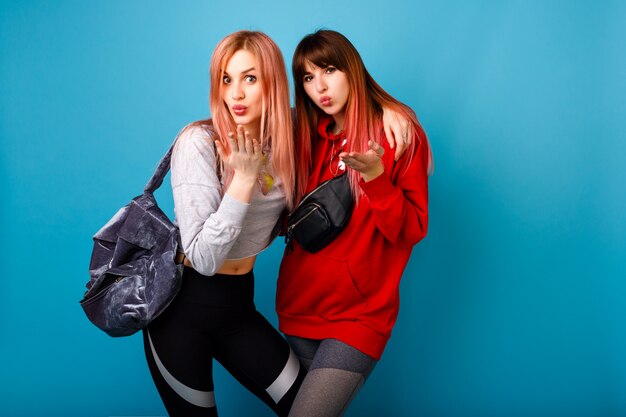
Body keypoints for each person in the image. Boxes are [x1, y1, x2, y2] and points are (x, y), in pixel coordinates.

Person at [142, 31, 305, 417]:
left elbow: (348, 108)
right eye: (226, 79)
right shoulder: (198, 142)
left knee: (311, 406)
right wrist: (244, 181)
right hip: (181, 312)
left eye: (250, 78)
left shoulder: (286, 141)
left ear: (273, 84)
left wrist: (400, 115)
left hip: (238, 308)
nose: (236, 93)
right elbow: (202, 258)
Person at [276, 29, 433, 417]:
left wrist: (377, 177)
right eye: (308, 78)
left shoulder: (397, 135)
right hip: (297, 309)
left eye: (329, 70)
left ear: (352, 69)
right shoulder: (303, 136)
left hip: (358, 320)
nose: (320, 87)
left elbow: (410, 229)